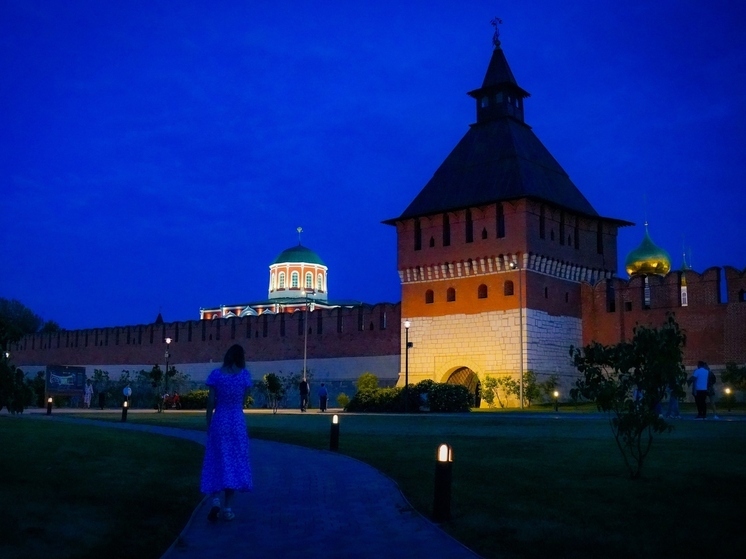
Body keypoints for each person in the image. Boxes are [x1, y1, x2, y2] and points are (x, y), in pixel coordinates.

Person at [200, 344, 253, 522]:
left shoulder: (216, 375)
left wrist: (209, 423)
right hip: (236, 422)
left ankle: (215, 499)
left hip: (220, 420)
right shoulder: (244, 376)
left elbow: (210, 402)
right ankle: (227, 508)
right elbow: (243, 400)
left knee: (216, 459)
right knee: (234, 462)